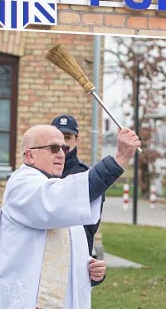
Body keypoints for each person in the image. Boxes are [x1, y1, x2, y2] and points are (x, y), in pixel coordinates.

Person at [0, 124, 141, 309]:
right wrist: (118, 160)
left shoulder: (57, 190)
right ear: (30, 155)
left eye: (64, 148)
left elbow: (59, 247)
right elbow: (57, 201)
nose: (62, 154)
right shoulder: (22, 184)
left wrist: (90, 269)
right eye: (54, 148)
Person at [52, 113, 105, 270]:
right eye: (58, 136)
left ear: (77, 140)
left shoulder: (86, 176)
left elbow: (89, 226)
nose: (63, 143)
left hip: (75, 259)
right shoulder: (41, 173)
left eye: (67, 137)